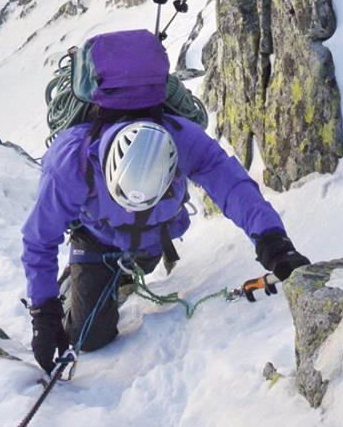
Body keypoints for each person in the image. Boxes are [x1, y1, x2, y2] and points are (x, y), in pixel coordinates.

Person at [23, 109, 310, 372]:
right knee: (89, 337)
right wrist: (44, 312)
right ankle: (74, 279)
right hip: (97, 241)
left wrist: (272, 240)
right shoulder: (72, 160)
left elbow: (234, 188)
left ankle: (119, 277)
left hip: (153, 239)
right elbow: (40, 239)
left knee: (141, 264)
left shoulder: (183, 138)